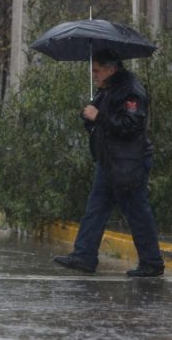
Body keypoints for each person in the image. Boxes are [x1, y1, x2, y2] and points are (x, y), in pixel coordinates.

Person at [53, 49, 164, 277]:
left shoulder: (130, 90)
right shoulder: (109, 89)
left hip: (128, 163)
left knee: (137, 211)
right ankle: (84, 256)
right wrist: (88, 117)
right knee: (95, 209)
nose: (93, 75)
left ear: (110, 69)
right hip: (110, 161)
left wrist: (99, 117)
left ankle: (152, 263)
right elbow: (100, 121)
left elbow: (130, 125)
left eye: (96, 70)